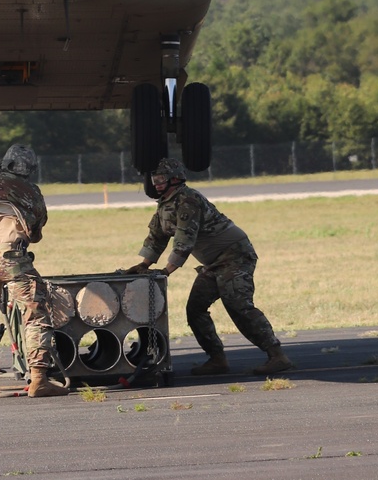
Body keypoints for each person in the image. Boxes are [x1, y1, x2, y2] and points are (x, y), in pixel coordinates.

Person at [119, 157, 292, 378]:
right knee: (195, 310)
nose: (157, 183)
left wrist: (166, 271)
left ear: (176, 179)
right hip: (214, 263)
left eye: (161, 179)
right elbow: (157, 236)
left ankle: (277, 356)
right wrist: (143, 264)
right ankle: (217, 359)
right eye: (155, 179)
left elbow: (184, 239)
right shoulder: (166, 204)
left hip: (235, 257)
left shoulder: (188, 200)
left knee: (238, 305)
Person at [0, 143, 69, 398]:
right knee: (35, 314)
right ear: (29, 168)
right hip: (12, 256)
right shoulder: (32, 192)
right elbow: (37, 232)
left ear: (5, 162)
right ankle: (39, 378)